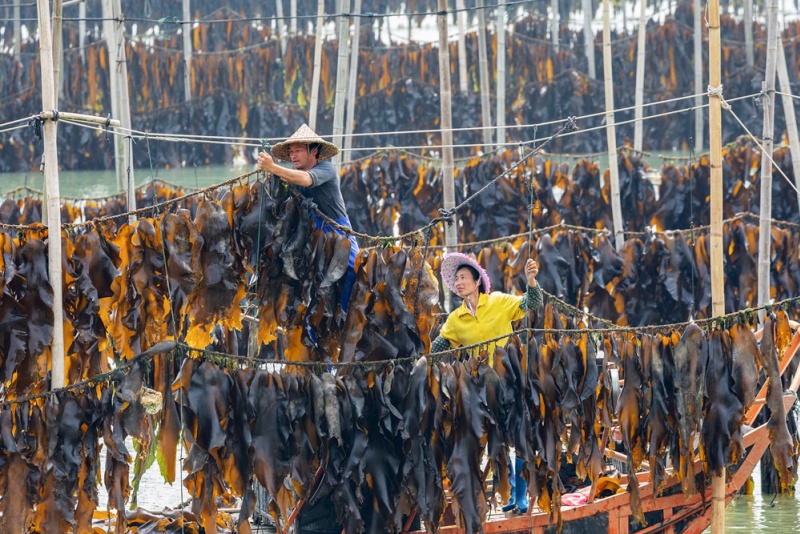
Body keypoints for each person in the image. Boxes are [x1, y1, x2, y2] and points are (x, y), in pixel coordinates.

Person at [430, 251, 543, 514]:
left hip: (510, 379)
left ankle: (521, 493)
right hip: (482, 388)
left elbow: (532, 302)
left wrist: (531, 279)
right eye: (455, 279)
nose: (458, 283)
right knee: (496, 440)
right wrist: (419, 360)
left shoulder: (499, 302)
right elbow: (438, 347)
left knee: (519, 436)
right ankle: (508, 490)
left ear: (477, 280)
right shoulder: (456, 320)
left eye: (463, 278)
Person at [257, 124, 359, 312]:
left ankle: (348, 315)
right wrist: (272, 176)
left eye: (297, 151)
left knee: (353, 270)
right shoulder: (292, 176)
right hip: (310, 234)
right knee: (305, 281)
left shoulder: (326, 169)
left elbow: (306, 179)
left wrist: (273, 167)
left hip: (337, 232)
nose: (293, 155)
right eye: (290, 152)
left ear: (314, 151)